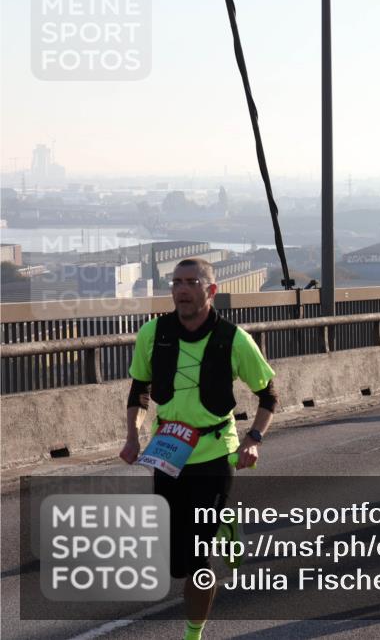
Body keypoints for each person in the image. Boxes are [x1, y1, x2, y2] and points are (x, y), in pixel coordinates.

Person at [119, 258, 277, 640]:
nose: (182, 289)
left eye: (192, 282)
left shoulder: (234, 339)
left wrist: (253, 440)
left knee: (197, 559)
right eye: (176, 282)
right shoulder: (152, 334)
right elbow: (139, 389)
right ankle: (225, 524)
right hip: (169, 453)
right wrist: (132, 435)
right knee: (175, 562)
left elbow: (268, 394)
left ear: (211, 291)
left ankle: (193, 634)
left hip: (215, 451)